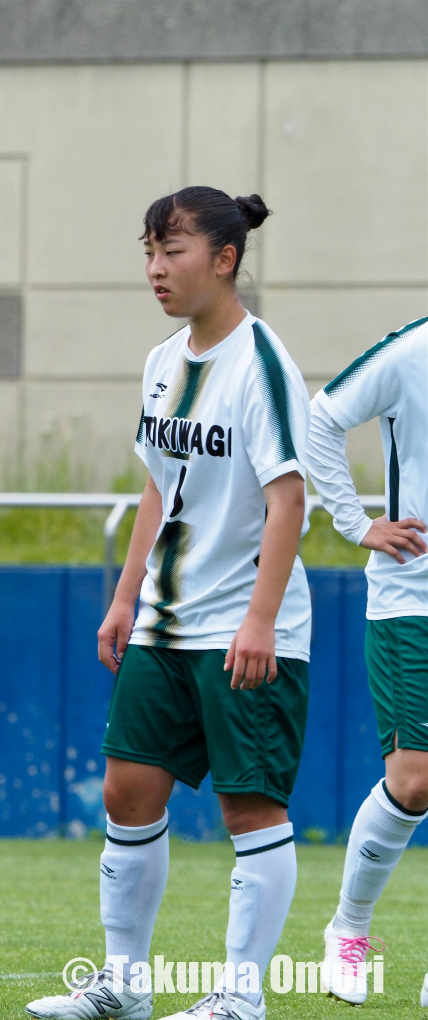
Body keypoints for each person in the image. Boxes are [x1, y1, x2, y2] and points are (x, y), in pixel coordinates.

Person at [25, 187, 311, 1020]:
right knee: (127, 790)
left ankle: (241, 997)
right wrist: (125, 597)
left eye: (173, 250)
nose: (155, 268)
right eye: (148, 250)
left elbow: (289, 499)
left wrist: (260, 618)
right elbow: (159, 487)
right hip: (164, 619)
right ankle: (123, 983)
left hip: (247, 625)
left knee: (249, 805)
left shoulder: (263, 365)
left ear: (224, 259)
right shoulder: (161, 361)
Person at [305, 315, 428, 1008]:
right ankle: (349, 928)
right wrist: (357, 524)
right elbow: (322, 418)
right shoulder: (412, 350)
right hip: (415, 600)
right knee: (414, 782)